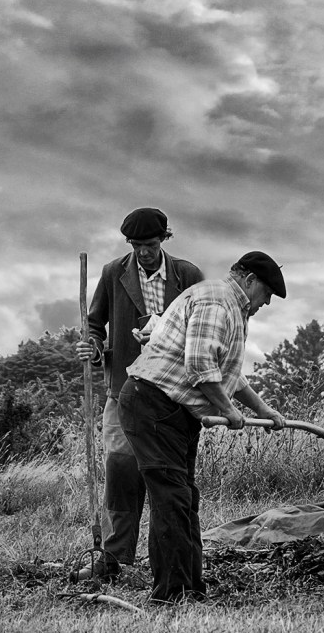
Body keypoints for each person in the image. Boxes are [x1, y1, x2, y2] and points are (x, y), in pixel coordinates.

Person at [119, 251, 287, 604]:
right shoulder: (217, 300)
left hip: (174, 411)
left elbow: (230, 375)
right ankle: (172, 594)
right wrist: (229, 412)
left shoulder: (229, 307)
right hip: (153, 404)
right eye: (267, 295)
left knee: (183, 498)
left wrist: (264, 410)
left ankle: (190, 589)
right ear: (250, 280)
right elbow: (199, 365)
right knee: (172, 499)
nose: (265, 303)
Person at [73, 208, 204, 581]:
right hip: (123, 389)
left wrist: (164, 338)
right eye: (136, 246)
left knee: (170, 477)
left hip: (173, 393)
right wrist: (93, 347)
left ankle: (171, 557)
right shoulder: (115, 272)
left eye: (149, 244)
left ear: (164, 239)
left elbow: (201, 328)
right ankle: (112, 557)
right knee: (119, 465)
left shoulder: (188, 275)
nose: (143, 252)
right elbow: (95, 324)